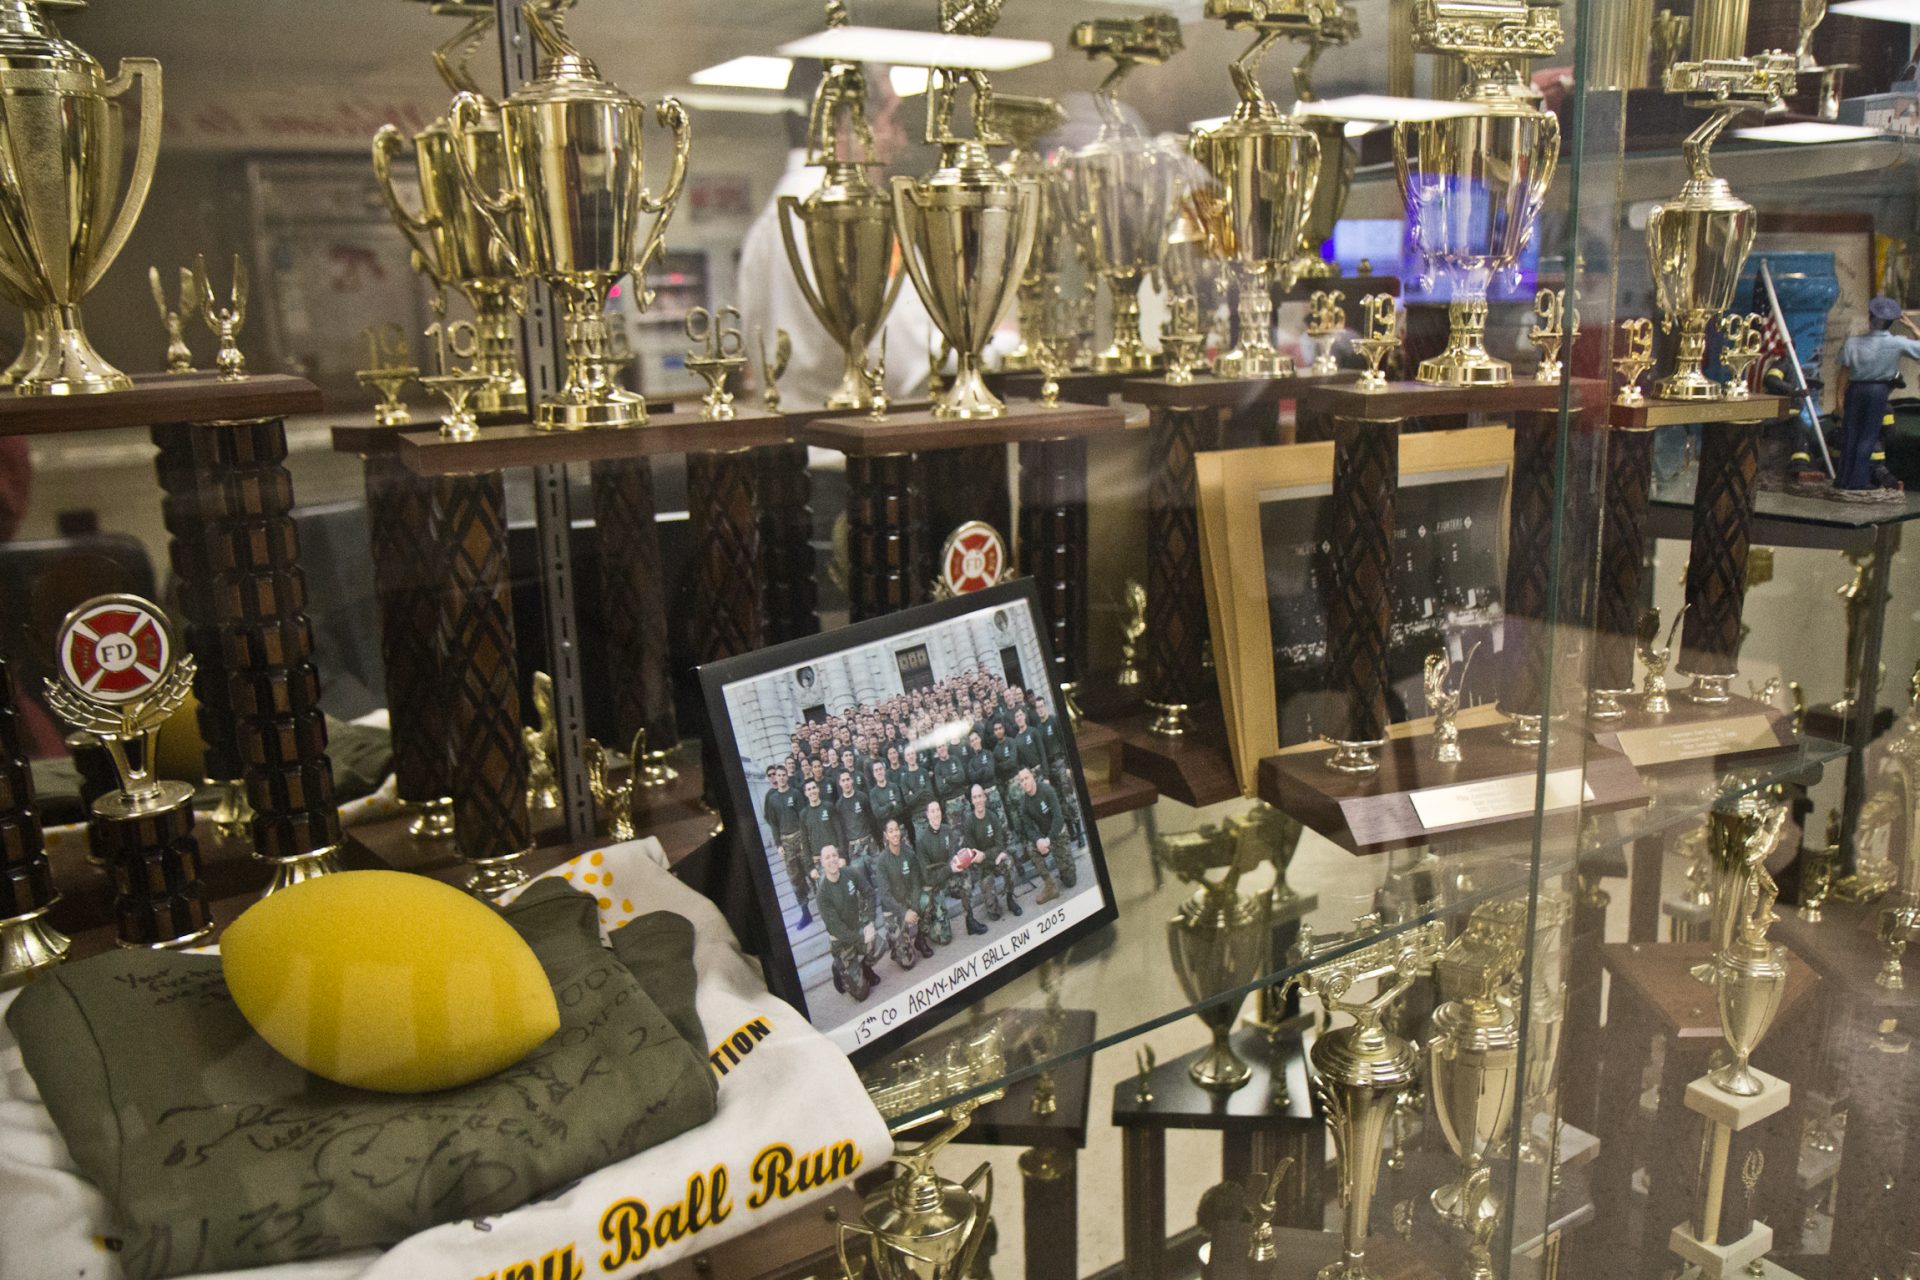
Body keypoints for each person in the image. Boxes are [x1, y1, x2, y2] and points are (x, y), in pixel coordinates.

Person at [734, 59, 938, 407]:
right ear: (847, 125)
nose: (900, 141)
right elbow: (906, 361)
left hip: (794, 444)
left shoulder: (766, 227)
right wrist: (991, 344)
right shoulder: (855, 218)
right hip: (859, 444)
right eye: (892, 120)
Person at [1835, 295, 1918, 492]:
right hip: (1878, 391)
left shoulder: (1853, 343)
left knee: (1851, 435)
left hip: (1855, 390)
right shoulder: (1897, 343)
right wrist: (1913, 329)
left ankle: (1843, 479)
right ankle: (1859, 481)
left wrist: (1839, 398)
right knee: (1868, 437)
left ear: (1870, 317)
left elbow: (1844, 372)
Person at [815, 845, 881, 999]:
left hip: (857, 930)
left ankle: (865, 969)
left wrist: (870, 922)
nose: (832, 860)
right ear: (822, 864)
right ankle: (839, 967)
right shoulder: (823, 895)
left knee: (880, 945)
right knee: (862, 994)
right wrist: (862, 939)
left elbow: (870, 893)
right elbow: (838, 930)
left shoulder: (850, 873)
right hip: (842, 942)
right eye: (827, 857)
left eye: (834, 855)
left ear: (839, 857)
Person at [917, 797, 982, 936]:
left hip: (949, 878)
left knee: (965, 876)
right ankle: (924, 935)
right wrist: (949, 869)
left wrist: (959, 857)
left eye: (938, 810)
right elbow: (928, 878)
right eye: (932, 811)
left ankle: (970, 920)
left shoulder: (947, 829)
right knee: (945, 938)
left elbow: (953, 856)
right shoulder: (922, 841)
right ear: (927, 815)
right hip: (935, 884)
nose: (936, 814)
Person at [877, 818, 935, 962]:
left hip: (909, 900)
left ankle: (920, 940)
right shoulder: (882, 860)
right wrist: (904, 912)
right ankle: (896, 944)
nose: (895, 834)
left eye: (896, 830)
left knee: (926, 900)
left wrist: (914, 909)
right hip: (893, 907)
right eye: (891, 831)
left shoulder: (909, 853)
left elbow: (916, 884)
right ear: (886, 835)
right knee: (908, 962)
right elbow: (885, 895)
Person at [761, 764, 810, 927]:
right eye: (778, 775)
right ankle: (805, 912)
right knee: (795, 878)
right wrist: (778, 844)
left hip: (800, 836)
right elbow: (773, 824)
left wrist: (806, 838)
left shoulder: (795, 794)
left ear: (786, 777)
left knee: (811, 870)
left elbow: (803, 816)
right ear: (775, 778)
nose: (780, 778)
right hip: (786, 841)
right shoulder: (773, 799)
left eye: (783, 775)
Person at [962, 782, 1021, 918]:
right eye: (975, 797)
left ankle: (1010, 899)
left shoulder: (993, 817)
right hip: (983, 867)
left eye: (980, 796)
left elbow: (1000, 845)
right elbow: (974, 855)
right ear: (972, 801)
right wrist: (986, 856)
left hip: (995, 859)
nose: (978, 800)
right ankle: (992, 904)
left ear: (985, 797)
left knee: (1008, 863)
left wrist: (986, 854)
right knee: (994, 915)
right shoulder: (969, 823)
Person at [1015, 766, 1076, 893]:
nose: (1024, 782)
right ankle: (1049, 886)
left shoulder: (1047, 790)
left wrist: (1048, 840)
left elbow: (1058, 818)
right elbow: (1028, 828)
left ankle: (1064, 867)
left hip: (1058, 834)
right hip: (1043, 837)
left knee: (1070, 881)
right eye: (1021, 780)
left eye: (1026, 778)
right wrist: (1038, 840)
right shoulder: (1024, 803)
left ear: (1033, 777)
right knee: (1031, 849)